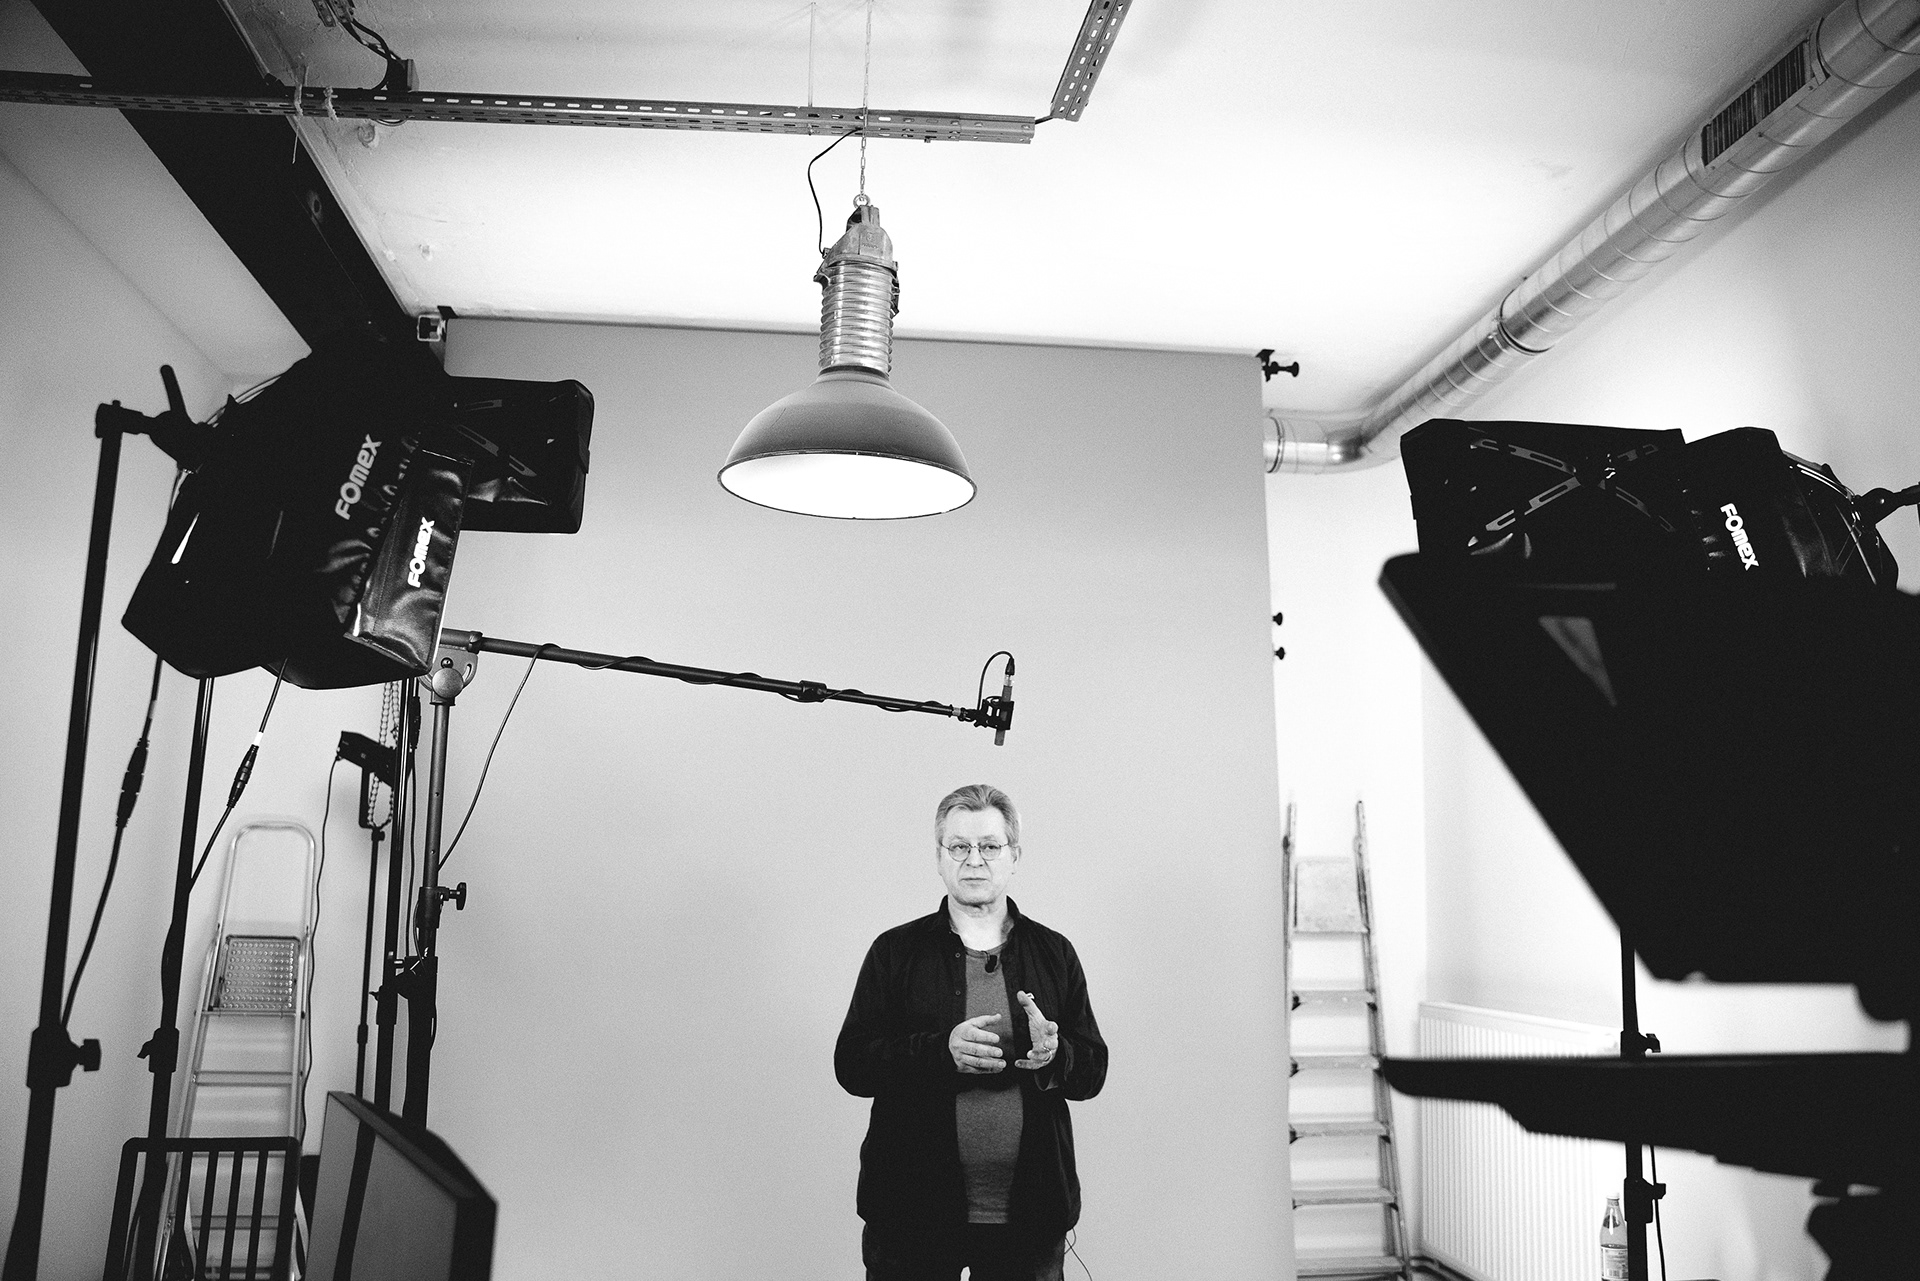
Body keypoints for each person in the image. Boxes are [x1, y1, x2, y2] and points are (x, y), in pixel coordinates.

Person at [836, 784, 1108, 1281]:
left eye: (989, 846)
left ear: (1014, 856)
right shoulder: (895, 952)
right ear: (939, 858)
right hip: (910, 1212)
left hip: (1030, 1216)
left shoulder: (1054, 953)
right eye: (959, 846)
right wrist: (940, 1052)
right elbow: (852, 1064)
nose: (974, 860)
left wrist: (1056, 1054)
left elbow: (1093, 1072)